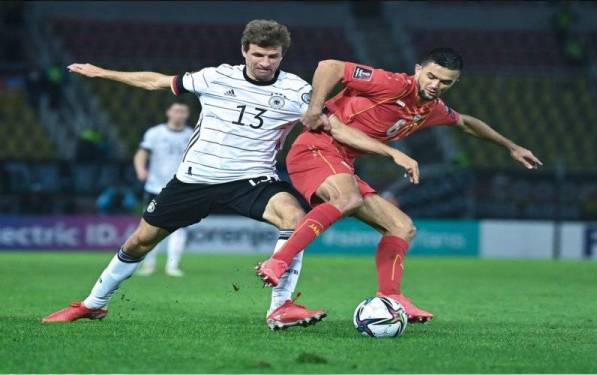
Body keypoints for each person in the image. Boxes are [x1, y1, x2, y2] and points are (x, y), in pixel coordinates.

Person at [41, 19, 416, 330]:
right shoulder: (215, 78)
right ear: (244, 52)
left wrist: (389, 151)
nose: (265, 62)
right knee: (140, 241)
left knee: (294, 216)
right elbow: (156, 81)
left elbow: (334, 128)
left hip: (251, 179)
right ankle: (93, 303)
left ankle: (280, 308)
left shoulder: (296, 91)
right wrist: (101, 72)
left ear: (282, 56)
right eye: (258, 54)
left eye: (272, 56)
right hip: (194, 179)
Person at [257, 48, 543, 322]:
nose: (436, 85)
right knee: (347, 198)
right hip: (316, 148)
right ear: (418, 69)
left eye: (446, 82)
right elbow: (330, 66)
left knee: (402, 227)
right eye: (431, 76)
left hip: (343, 162)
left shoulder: (430, 108)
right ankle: (279, 261)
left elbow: (466, 123)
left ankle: (391, 297)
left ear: (455, 82)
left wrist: (511, 146)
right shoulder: (392, 84)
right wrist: (315, 109)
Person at [134, 102, 194, 277]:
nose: (179, 114)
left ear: (187, 114)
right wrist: (140, 169)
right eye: (176, 110)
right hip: (155, 186)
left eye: (182, 111)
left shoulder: (191, 134)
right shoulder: (155, 133)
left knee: (180, 227)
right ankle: (149, 264)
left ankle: (172, 266)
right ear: (168, 112)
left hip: (181, 188)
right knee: (150, 226)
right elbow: (142, 153)